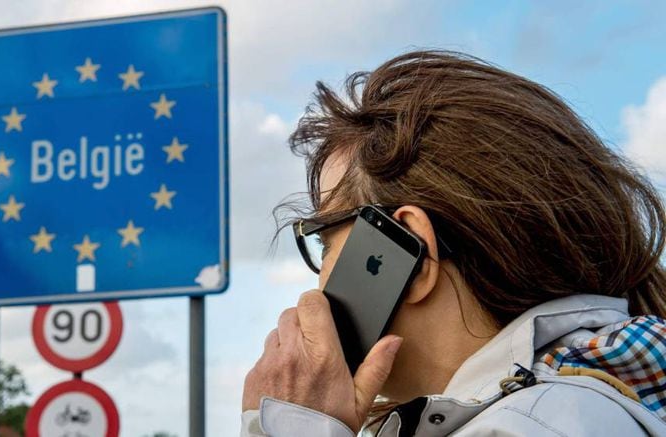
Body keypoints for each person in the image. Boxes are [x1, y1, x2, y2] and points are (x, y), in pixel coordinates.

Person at [240, 50, 666, 436]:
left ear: (409, 249)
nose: (318, 285)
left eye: (325, 244)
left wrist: (288, 426)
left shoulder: (521, 427)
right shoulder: (588, 403)